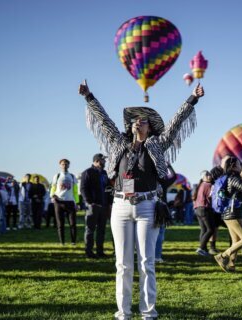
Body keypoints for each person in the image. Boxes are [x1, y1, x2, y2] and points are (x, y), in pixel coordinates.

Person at [79, 79, 204, 320]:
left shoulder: (157, 144)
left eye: (144, 119)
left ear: (150, 127)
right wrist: (89, 96)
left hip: (148, 206)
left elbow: (175, 124)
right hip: (120, 207)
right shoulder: (119, 143)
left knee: (147, 263)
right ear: (130, 125)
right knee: (123, 265)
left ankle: (148, 313)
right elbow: (104, 121)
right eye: (135, 119)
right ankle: (123, 313)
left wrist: (192, 98)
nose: (139, 121)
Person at [210, 156, 242, 272]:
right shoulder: (233, 178)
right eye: (238, 164)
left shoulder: (230, 177)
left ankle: (231, 266)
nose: (241, 166)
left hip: (231, 212)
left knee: (236, 241)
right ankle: (223, 256)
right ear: (233, 166)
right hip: (232, 213)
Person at [80, 153, 111, 258]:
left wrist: (109, 202)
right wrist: (89, 202)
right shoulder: (88, 172)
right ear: (97, 161)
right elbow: (83, 188)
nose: (105, 162)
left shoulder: (104, 173)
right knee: (90, 229)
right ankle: (89, 252)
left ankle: (100, 251)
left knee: (101, 230)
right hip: (93, 206)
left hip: (104, 206)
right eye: (103, 161)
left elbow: (108, 189)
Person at [50, 159, 79, 245]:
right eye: (63, 164)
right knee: (60, 224)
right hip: (59, 202)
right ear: (60, 165)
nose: (64, 166)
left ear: (69, 165)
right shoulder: (57, 176)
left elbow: (75, 191)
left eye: (66, 164)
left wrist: (76, 203)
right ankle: (62, 242)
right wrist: (52, 195)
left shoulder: (72, 176)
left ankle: (73, 242)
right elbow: (53, 188)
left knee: (73, 224)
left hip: (70, 202)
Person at [155, 163, 176, 263]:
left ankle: (151, 255)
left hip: (150, 207)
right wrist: (168, 166)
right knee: (159, 233)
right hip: (160, 208)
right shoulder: (163, 182)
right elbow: (174, 176)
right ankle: (157, 256)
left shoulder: (148, 181)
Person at [192, 170, 215, 256]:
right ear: (203, 177)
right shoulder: (209, 185)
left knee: (204, 229)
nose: (209, 176)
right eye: (207, 175)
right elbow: (211, 196)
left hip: (198, 209)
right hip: (205, 208)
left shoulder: (200, 185)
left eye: (210, 174)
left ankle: (204, 249)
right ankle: (201, 248)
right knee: (211, 229)